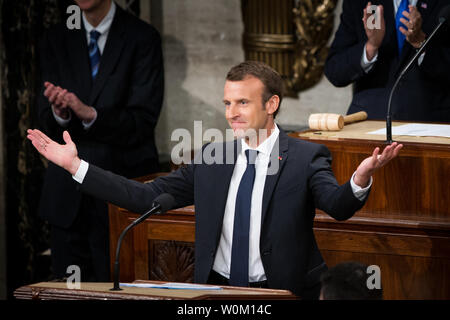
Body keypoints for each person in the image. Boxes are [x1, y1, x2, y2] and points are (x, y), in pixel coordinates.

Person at [28, 61, 402, 299]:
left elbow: (336, 206)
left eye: (243, 103)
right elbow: (145, 197)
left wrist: (359, 178)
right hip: (215, 293)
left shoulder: (305, 157)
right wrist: (77, 166)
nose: (232, 113)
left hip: (282, 293)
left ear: (271, 104)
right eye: (227, 103)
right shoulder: (211, 158)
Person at [36, 0, 164, 281]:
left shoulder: (143, 37)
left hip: (121, 196)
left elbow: (142, 121)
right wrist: (60, 114)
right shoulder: (56, 38)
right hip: (67, 199)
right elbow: (41, 118)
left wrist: (90, 114)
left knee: (122, 289)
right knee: (69, 294)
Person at [325, 0, 450, 122]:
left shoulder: (444, 5)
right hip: (369, 122)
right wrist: (371, 46)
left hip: (430, 123)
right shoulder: (360, 3)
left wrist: (420, 42)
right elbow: (335, 71)